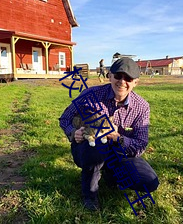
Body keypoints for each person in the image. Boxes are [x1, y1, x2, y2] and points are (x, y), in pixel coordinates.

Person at [59, 58, 159, 211]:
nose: (122, 81)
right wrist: (73, 133)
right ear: (110, 76)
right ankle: (90, 195)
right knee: (97, 144)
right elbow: (65, 118)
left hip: (120, 152)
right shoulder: (91, 95)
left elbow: (140, 144)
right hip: (89, 148)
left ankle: (110, 174)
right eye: (118, 76)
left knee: (149, 181)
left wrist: (118, 137)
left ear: (136, 82)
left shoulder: (142, 107)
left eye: (128, 78)